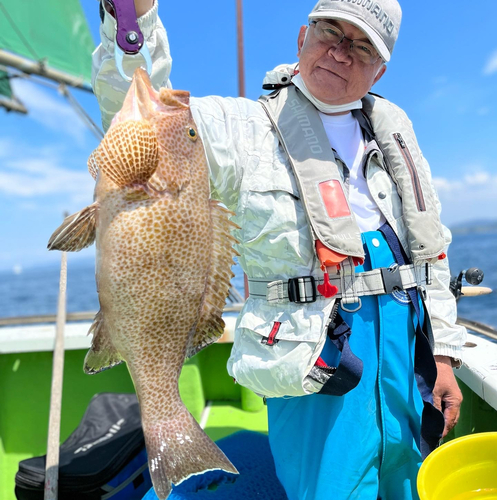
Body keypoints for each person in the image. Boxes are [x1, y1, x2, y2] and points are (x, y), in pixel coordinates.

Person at [92, 1, 466, 498]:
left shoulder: (395, 132)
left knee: (408, 482)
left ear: (379, 68)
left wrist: (442, 354)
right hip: (320, 360)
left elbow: (431, 257)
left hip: (408, 360)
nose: (339, 52)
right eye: (329, 32)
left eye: (361, 46)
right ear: (301, 39)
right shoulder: (240, 128)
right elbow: (133, 113)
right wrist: (132, 17)